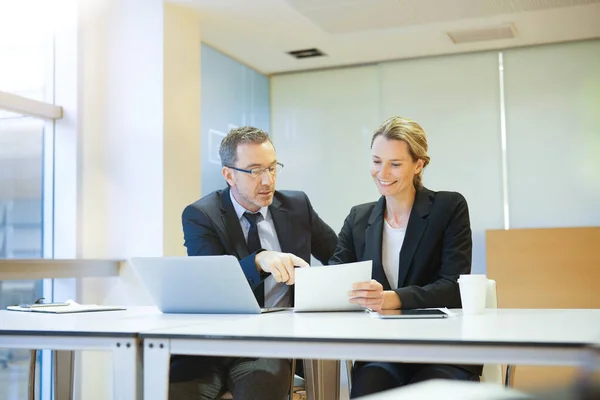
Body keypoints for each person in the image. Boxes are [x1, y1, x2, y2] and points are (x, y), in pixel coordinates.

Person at [172, 126, 338, 400]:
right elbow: (212, 282)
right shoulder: (202, 215)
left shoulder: (297, 206)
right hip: (212, 346)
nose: (267, 180)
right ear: (229, 175)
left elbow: (338, 256)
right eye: (255, 171)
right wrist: (259, 260)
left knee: (260, 388)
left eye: (272, 168)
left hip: (270, 345)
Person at [330, 116, 482, 398]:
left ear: (419, 164)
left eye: (395, 164)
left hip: (442, 350)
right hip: (382, 351)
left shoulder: (449, 207)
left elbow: (453, 287)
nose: (382, 172)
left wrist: (391, 298)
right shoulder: (358, 217)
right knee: (368, 388)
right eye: (376, 161)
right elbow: (335, 278)